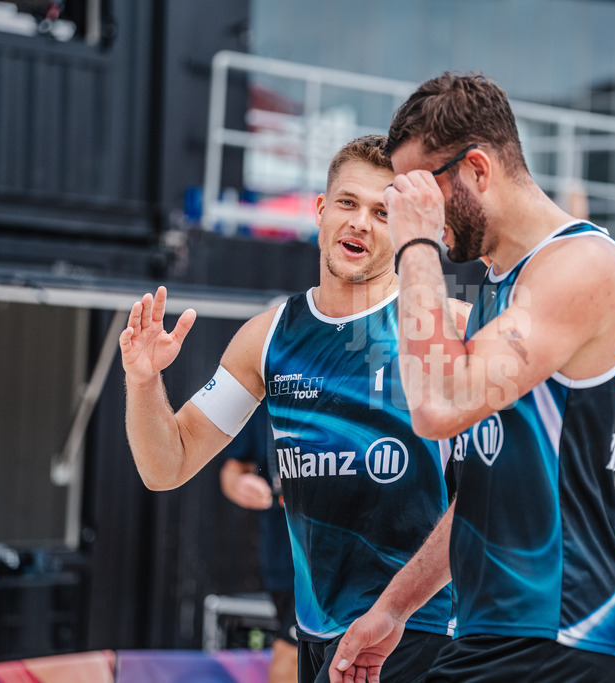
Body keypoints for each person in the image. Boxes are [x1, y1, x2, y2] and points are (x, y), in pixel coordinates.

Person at [331, 73, 615, 682]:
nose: (407, 210)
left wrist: (416, 242)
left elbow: (438, 406)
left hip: (560, 627)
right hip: (506, 632)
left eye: (419, 189)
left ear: (475, 168)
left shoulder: (580, 265)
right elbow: (484, 491)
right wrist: (394, 608)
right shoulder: (503, 284)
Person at [120, 135, 467, 683]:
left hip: (422, 633)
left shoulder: (443, 327)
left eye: (382, 212)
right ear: (321, 210)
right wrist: (143, 382)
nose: (361, 223)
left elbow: (503, 493)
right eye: (349, 203)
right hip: (318, 633)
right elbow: (168, 465)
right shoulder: (268, 337)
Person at [219, 401, 298, 683]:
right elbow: (232, 469)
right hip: (282, 561)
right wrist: (240, 485)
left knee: (290, 660)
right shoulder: (264, 394)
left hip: (338, 559)